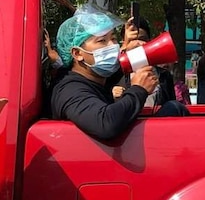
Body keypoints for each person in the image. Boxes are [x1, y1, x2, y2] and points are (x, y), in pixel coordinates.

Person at [51, 7, 183, 140]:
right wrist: (139, 89)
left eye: (113, 38)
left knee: (174, 108)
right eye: (102, 41)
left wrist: (128, 48)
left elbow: (118, 68)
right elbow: (105, 124)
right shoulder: (70, 90)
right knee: (173, 109)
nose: (112, 46)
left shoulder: (95, 78)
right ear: (78, 53)